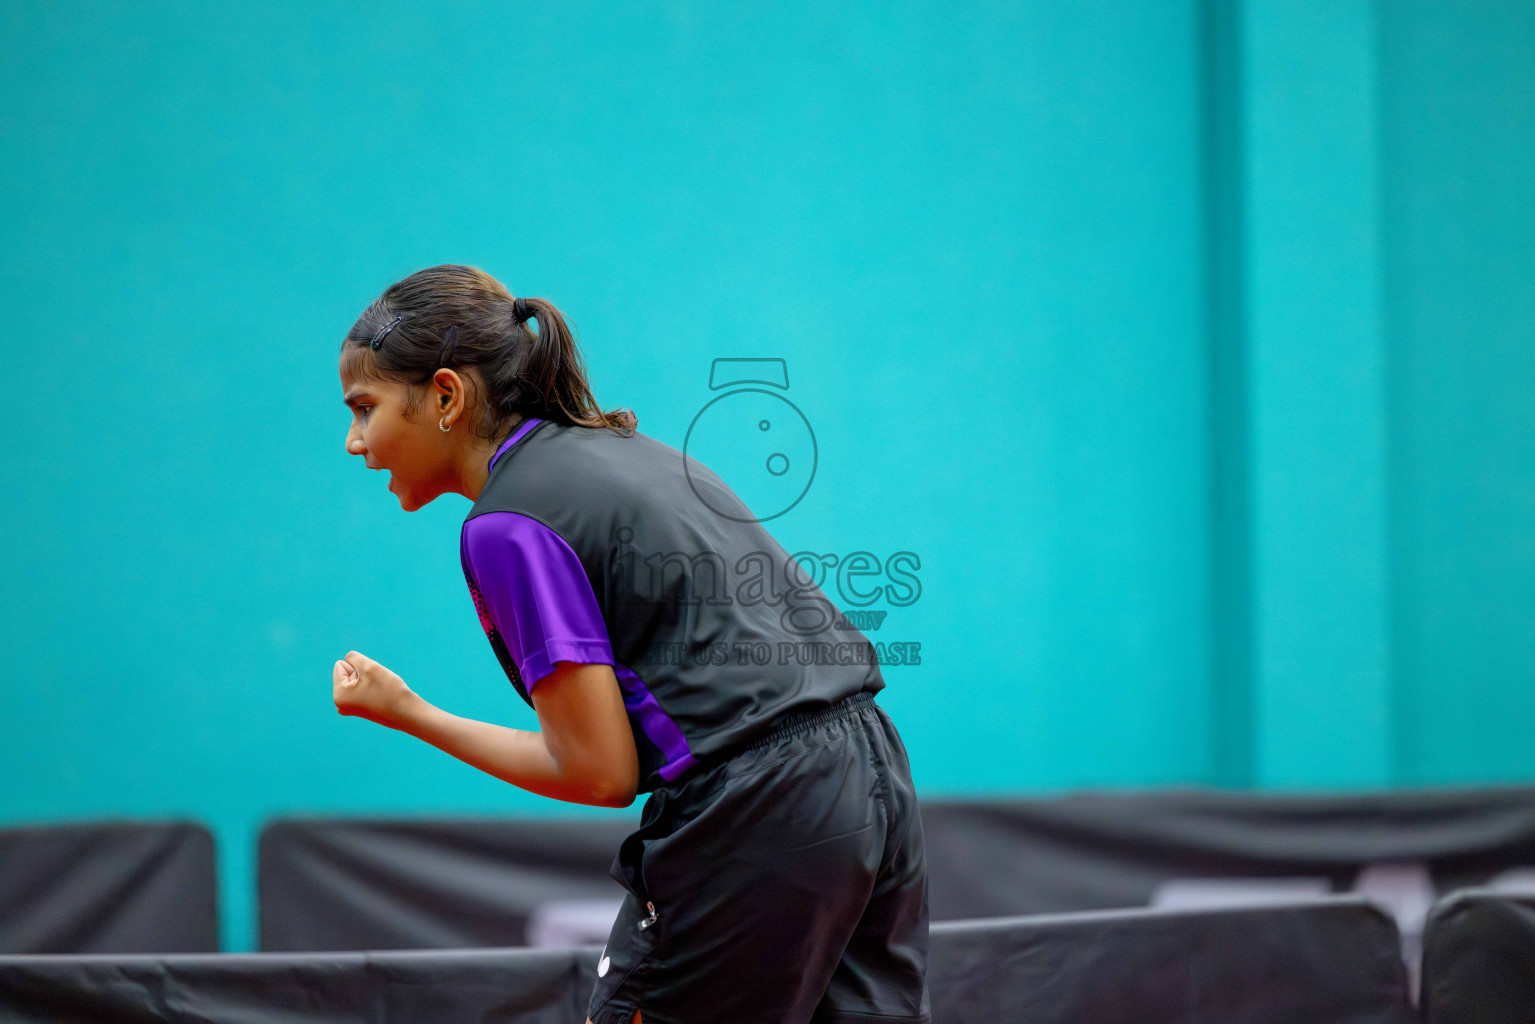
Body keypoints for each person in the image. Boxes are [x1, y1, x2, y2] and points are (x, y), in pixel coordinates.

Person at [331, 265, 929, 1024]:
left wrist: (407, 711)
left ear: (446, 396)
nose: (354, 442)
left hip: (758, 808)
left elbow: (597, 772)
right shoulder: (625, 450)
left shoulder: (507, 526)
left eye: (364, 409)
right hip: (870, 770)